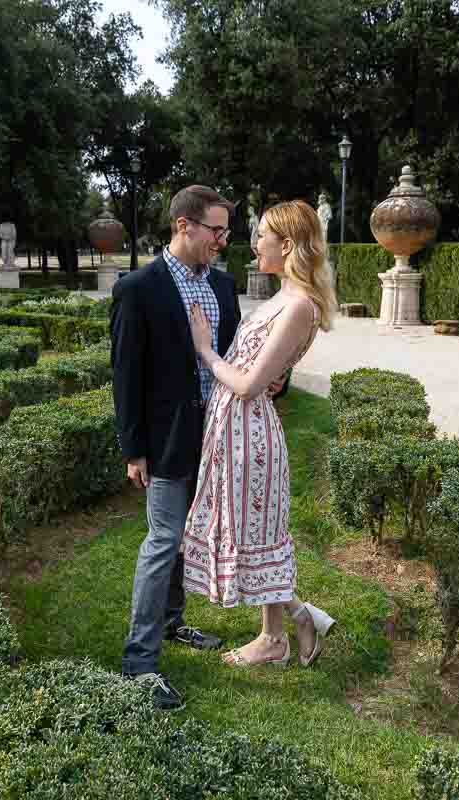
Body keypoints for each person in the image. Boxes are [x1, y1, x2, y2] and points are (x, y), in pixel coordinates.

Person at [182, 199, 337, 668]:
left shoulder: (299, 307)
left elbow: (250, 384)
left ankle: (278, 635)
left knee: (257, 533)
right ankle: (296, 620)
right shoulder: (280, 298)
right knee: (248, 532)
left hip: (249, 431)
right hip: (231, 428)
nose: (253, 243)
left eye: (262, 235)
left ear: (287, 245)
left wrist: (206, 352)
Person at [110, 185, 244, 710]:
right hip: (165, 440)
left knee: (187, 539)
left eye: (225, 231)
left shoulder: (225, 286)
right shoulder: (139, 288)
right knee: (163, 540)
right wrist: (133, 448)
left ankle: (172, 623)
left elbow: (236, 353)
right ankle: (138, 664)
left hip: (215, 437)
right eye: (216, 229)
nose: (222, 239)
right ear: (183, 225)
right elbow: (126, 373)